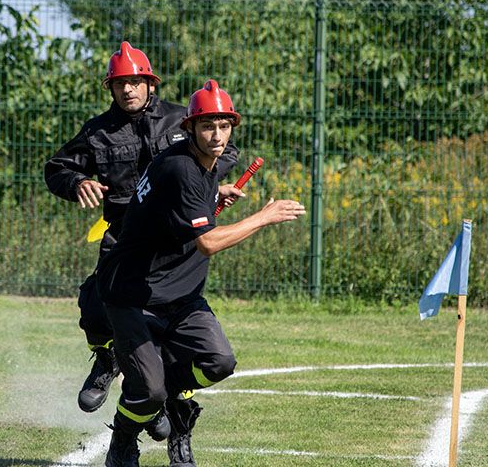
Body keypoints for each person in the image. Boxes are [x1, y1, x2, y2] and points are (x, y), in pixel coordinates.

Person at [96, 80, 306, 467]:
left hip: (180, 294)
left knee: (218, 363)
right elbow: (208, 243)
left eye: (224, 126)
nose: (217, 135)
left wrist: (214, 195)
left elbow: (181, 207)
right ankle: (124, 438)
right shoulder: (181, 168)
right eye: (208, 126)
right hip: (132, 295)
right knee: (150, 392)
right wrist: (263, 217)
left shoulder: (201, 163)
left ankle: (173, 407)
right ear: (190, 127)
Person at [43, 43, 242, 414]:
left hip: (176, 236)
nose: (128, 90)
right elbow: (56, 169)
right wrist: (76, 183)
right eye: (120, 83)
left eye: (136, 81)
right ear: (111, 88)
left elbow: (225, 152)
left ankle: (166, 390)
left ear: (151, 84)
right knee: (98, 300)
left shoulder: (183, 119)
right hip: (123, 234)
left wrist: (210, 187)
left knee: (175, 317)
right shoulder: (98, 131)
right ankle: (108, 361)